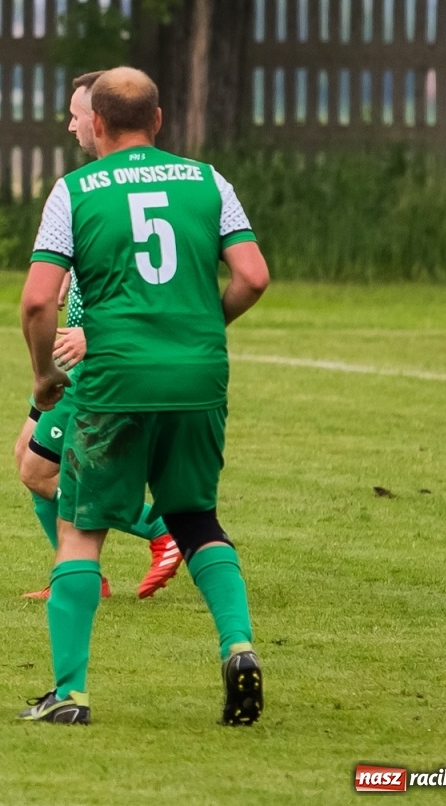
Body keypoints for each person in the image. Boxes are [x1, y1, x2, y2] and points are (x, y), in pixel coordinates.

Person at [16, 67, 270, 726]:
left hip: (114, 379)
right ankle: (239, 647)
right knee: (195, 517)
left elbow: (40, 298)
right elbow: (253, 276)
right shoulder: (209, 181)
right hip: (198, 377)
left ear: (96, 124)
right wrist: (202, 328)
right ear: (158, 121)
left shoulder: (75, 191)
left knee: (81, 529)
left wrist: (45, 374)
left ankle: (69, 694)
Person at [13, 72, 180, 601]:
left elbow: (144, 277)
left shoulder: (119, 187)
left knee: (40, 472)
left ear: (100, 119)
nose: (70, 125)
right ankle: (86, 576)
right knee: (26, 457)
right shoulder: (94, 186)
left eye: (76, 115)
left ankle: (162, 532)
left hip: (97, 356)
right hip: (74, 351)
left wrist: (93, 330)